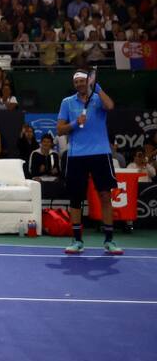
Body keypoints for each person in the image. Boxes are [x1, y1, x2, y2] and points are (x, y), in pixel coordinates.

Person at [57, 71, 121, 255]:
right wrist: (76, 123)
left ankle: (109, 240)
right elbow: (60, 130)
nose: (79, 84)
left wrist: (97, 88)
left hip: (101, 154)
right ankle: (77, 241)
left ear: (88, 81)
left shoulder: (98, 98)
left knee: (105, 196)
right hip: (77, 156)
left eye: (82, 81)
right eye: (76, 81)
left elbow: (110, 105)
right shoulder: (67, 102)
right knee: (76, 199)